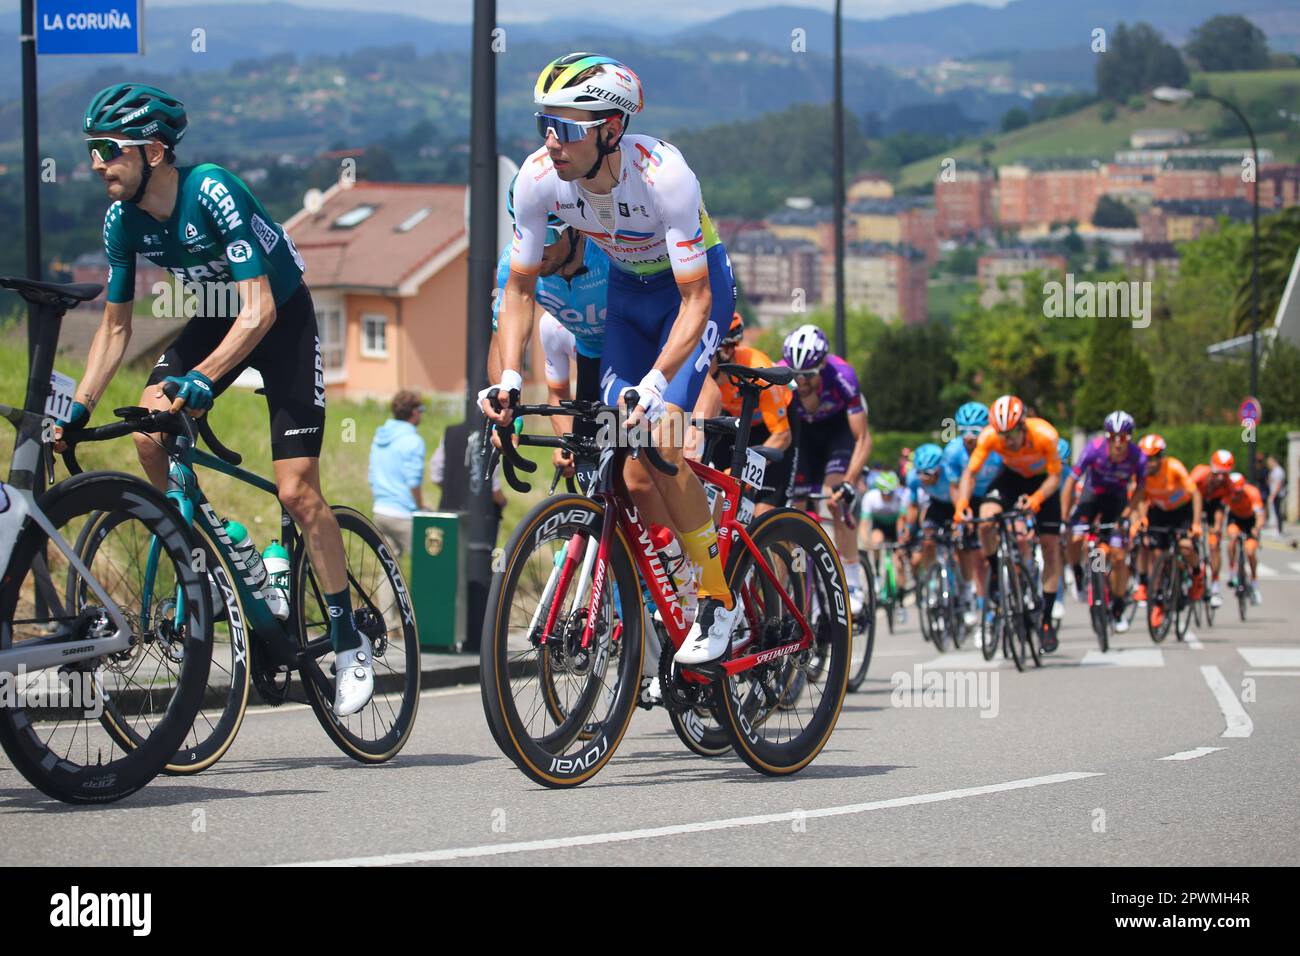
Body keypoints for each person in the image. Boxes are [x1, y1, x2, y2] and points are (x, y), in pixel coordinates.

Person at [64, 83, 373, 715]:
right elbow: (115, 327)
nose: (97, 162)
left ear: (153, 151)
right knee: (149, 430)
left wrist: (203, 378)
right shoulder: (123, 220)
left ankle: (347, 641)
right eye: (92, 149)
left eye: (108, 148)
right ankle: (218, 540)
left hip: (279, 319)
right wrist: (78, 409)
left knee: (296, 492)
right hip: (212, 314)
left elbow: (257, 308)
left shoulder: (212, 190)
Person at [483, 53, 742, 665]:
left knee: (664, 437)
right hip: (628, 296)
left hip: (693, 294)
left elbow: (697, 298)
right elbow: (519, 290)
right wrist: (511, 379)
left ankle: (716, 596)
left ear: (611, 130)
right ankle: (660, 594)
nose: (553, 141)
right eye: (545, 123)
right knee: (622, 460)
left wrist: (655, 382)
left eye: (568, 128)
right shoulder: (538, 177)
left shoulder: (665, 176)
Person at [954, 395, 1064, 651]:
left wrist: (1037, 498)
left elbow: (1056, 476)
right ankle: (995, 573)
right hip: (1012, 478)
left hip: (1042, 483)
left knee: (1050, 545)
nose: (1007, 441)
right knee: (986, 519)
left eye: (1012, 434)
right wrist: (962, 504)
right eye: (1002, 435)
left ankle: (1046, 619)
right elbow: (970, 473)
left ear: (1023, 425)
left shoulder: (1045, 435)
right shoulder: (990, 437)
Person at [780, 324, 873, 615]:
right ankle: (795, 584)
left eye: (807, 375)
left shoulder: (842, 376)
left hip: (836, 435)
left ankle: (853, 581)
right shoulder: (782, 375)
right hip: (804, 438)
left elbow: (863, 438)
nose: (801, 382)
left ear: (822, 366)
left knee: (836, 499)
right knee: (793, 511)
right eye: (795, 375)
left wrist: (849, 481)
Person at [692, 313, 796, 514]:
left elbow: (782, 436)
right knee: (715, 495)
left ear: (727, 350)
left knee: (763, 512)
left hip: (774, 431)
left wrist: (743, 470)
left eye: (706, 352)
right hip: (739, 425)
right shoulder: (703, 376)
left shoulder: (757, 366)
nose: (699, 358)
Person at [1060, 411, 1147, 634]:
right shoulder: (1093, 449)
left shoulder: (1138, 457)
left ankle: (1117, 608)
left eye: (1124, 437)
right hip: (1092, 497)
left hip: (1117, 502)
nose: (1118, 443)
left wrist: (1128, 514)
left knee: (1118, 556)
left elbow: (1140, 488)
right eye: (1113, 437)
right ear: (1107, 437)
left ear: (1130, 437)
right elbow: (1071, 482)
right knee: (1076, 537)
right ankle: (1078, 572)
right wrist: (1064, 517)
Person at [942, 402, 1002, 628]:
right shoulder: (953, 452)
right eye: (963, 431)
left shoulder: (996, 447)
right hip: (970, 497)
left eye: (974, 432)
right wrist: (961, 512)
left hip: (995, 491)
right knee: (977, 558)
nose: (968, 437)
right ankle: (982, 607)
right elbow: (955, 487)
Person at [368, 390, 427, 559]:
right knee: (428, 565)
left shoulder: (379, 437)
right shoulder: (414, 441)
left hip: (380, 512)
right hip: (403, 515)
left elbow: (372, 476)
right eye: (421, 409)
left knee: (388, 571)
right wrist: (420, 507)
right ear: (414, 412)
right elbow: (413, 482)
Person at [1189, 449, 1236, 607]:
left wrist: (1217, 527)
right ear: (1211, 467)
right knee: (1188, 538)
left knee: (1215, 544)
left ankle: (1215, 586)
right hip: (1195, 501)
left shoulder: (1229, 484)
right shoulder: (1199, 474)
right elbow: (1187, 494)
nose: (1221, 478)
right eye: (1218, 473)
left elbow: (1221, 508)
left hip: (1214, 506)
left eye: (1225, 474)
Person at [1223, 472, 1266, 605]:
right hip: (1235, 519)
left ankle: (1254, 583)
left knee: (1250, 551)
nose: (1236, 495)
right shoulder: (1226, 492)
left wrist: (1256, 529)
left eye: (1239, 492)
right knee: (1232, 538)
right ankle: (1232, 571)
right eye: (1234, 492)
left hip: (1250, 521)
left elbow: (1260, 515)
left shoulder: (1252, 492)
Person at [1266, 455, 1286, 536]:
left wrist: (1273, 495)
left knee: (1277, 512)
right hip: (1274, 493)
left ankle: (1279, 530)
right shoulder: (1274, 471)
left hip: (1277, 494)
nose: (1268, 464)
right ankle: (1276, 529)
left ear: (1274, 461)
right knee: (1275, 512)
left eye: (1269, 462)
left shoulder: (1278, 471)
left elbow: (1278, 484)